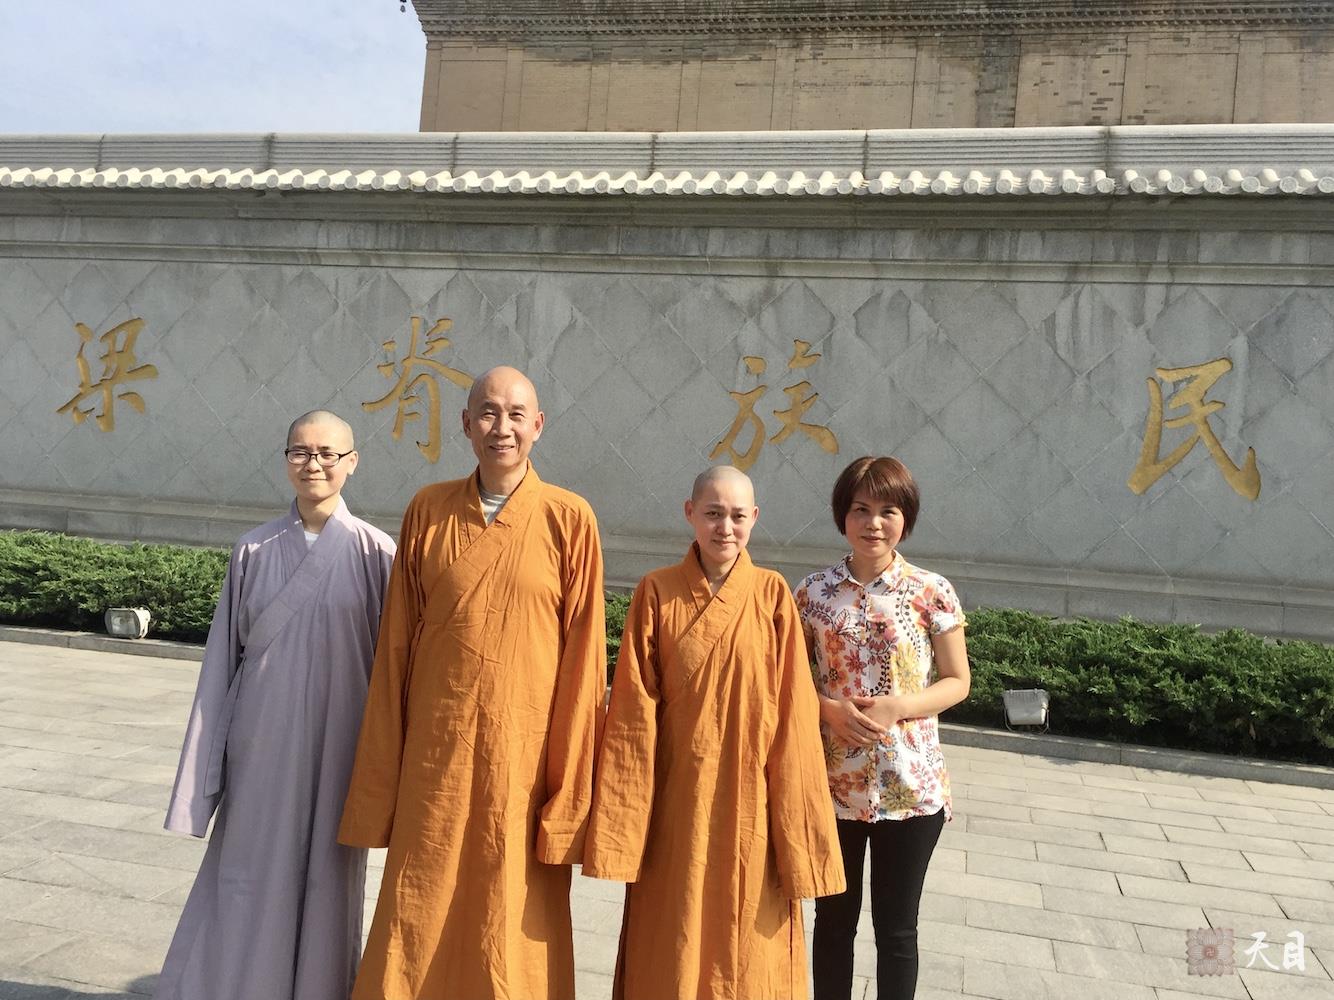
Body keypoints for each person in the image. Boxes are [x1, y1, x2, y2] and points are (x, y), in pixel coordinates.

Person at [338, 366, 606, 1000]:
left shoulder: (570, 518)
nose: (502, 427)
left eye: (517, 414)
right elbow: (396, 645)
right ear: (465, 424)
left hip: (524, 754)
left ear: (538, 426)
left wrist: (571, 788)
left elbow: (584, 661)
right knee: (421, 895)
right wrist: (385, 767)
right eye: (488, 413)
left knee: (513, 911)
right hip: (438, 749)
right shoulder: (428, 509)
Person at [156, 411, 396, 1000]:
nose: (313, 464)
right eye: (299, 452)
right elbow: (219, 670)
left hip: (338, 747)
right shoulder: (252, 549)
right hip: (260, 742)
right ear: (285, 459)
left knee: (327, 882)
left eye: (327, 453)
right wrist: (197, 788)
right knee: (246, 873)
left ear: (352, 462)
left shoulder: (377, 554)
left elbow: (395, 673)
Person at [584, 465, 845, 1000]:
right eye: (713, 513)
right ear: (690, 514)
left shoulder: (772, 595)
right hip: (676, 801)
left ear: (755, 519)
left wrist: (797, 827)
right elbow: (633, 714)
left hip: (753, 802)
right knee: (671, 932)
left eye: (737, 516)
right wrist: (624, 823)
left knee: (750, 943)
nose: (725, 527)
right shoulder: (656, 592)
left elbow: (795, 717)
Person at [795, 456, 971, 1000]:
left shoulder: (931, 590)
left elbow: (958, 680)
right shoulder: (811, 594)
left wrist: (901, 706)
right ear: (841, 516)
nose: (874, 522)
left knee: (897, 930)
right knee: (832, 926)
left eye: (888, 510)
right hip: (832, 784)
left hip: (910, 787)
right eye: (861, 509)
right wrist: (826, 708)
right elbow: (788, 680)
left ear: (906, 518)